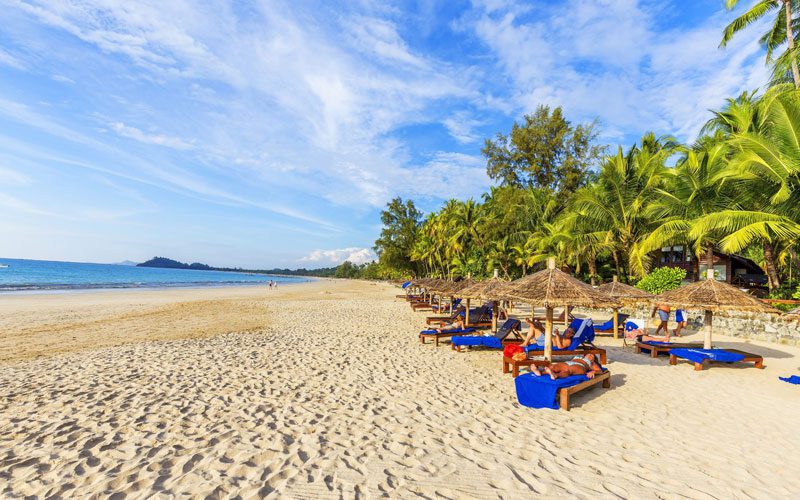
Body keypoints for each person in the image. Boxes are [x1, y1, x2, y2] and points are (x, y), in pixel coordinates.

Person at [530, 353, 603, 380]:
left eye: (592, 356)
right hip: (568, 362)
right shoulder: (579, 356)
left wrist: (593, 371)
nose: (590, 355)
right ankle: (540, 372)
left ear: (594, 359)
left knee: (568, 370)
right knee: (554, 367)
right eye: (589, 354)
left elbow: (600, 370)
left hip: (580, 366)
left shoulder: (591, 363)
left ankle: (556, 375)